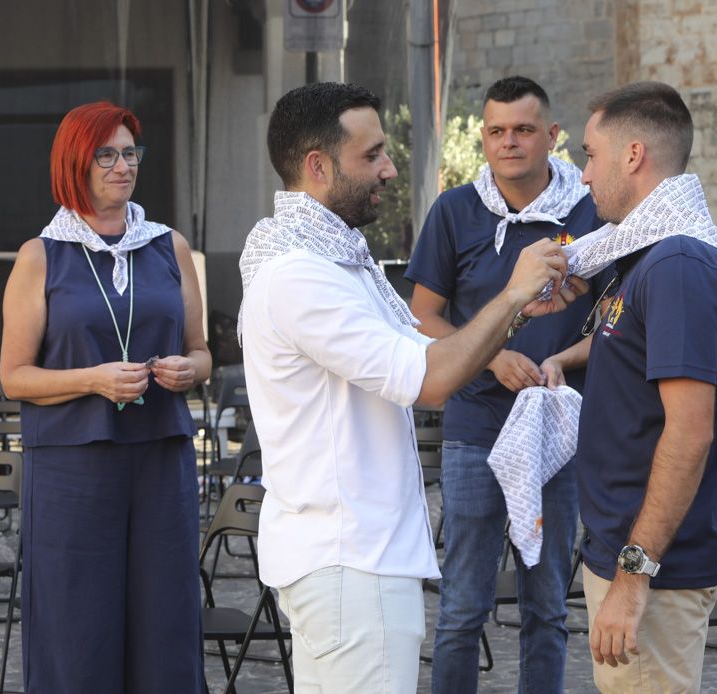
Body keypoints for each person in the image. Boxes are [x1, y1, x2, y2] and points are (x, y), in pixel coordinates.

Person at [236, 81, 586, 693]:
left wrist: (519, 309)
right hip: (350, 559)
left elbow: (428, 348)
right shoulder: (301, 276)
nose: (390, 169)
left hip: (356, 558)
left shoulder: (331, 260)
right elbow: (430, 380)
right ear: (318, 166)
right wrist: (509, 292)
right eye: (371, 155)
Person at [0, 101, 210, 693]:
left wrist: (185, 370)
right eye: (107, 155)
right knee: (76, 625)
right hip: (71, 465)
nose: (123, 166)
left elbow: (203, 352)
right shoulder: (40, 256)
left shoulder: (170, 247)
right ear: (76, 162)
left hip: (160, 457)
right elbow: (13, 376)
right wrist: (91, 380)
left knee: (164, 619)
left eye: (130, 153)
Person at [405, 75, 602, 693]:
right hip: (474, 429)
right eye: (496, 131)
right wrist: (490, 357)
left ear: (552, 135)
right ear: (484, 138)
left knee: (547, 608)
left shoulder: (591, 211)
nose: (509, 142)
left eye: (523, 129)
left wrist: (563, 360)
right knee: (463, 606)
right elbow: (422, 314)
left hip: (560, 430)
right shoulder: (455, 210)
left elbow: (621, 322)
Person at [573, 81, 717, 692]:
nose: (584, 175)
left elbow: (691, 430)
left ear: (633, 155)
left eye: (590, 155)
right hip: (628, 550)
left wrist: (633, 575)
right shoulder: (647, 255)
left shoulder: (676, 263)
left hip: (652, 566)